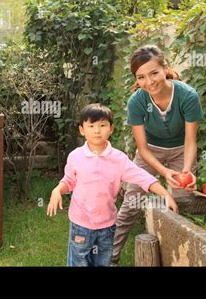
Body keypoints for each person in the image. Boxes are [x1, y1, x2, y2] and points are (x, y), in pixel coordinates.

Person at [47, 103, 179, 267]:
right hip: (80, 225)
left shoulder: (119, 159)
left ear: (111, 129)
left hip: (107, 227)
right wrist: (57, 190)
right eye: (91, 126)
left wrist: (165, 194)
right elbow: (69, 181)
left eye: (102, 125)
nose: (97, 130)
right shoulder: (75, 157)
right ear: (82, 130)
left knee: (103, 263)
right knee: (78, 262)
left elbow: (143, 178)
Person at [111, 45, 203, 265]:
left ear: (165, 68)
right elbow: (142, 148)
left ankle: (182, 259)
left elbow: (190, 141)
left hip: (181, 150)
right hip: (149, 152)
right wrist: (163, 171)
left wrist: (186, 171)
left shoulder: (187, 96)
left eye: (154, 73)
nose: (149, 82)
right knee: (130, 204)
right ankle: (110, 258)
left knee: (183, 205)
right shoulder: (137, 101)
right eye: (141, 77)